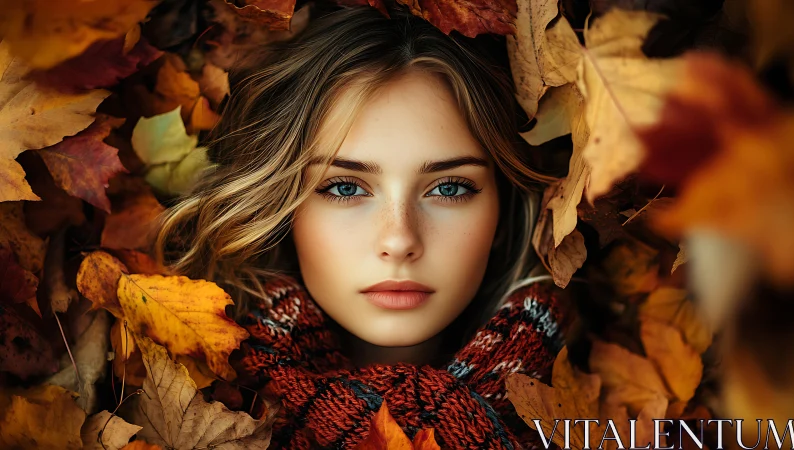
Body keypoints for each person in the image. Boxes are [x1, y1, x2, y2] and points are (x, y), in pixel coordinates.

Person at [154, 3, 575, 449]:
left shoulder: (608, 411)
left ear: (504, 211)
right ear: (280, 205)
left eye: (449, 188)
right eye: (344, 188)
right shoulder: (168, 405)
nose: (398, 240)